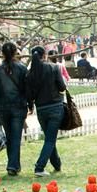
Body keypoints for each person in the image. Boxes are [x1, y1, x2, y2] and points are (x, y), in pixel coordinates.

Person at [27, 46, 67, 176]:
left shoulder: (31, 73)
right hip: (55, 106)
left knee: (50, 138)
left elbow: (30, 93)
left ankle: (57, 164)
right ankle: (39, 167)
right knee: (50, 139)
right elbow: (62, 86)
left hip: (41, 108)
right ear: (44, 55)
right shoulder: (53, 68)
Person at [0, 42, 28, 176]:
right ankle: (13, 165)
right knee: (15, 136)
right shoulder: (22, 69)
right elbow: (26, 89)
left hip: (3, 108)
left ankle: (13, 164)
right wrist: (29, 103)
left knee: (9, 136)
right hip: (18, 106)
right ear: (14, 53)